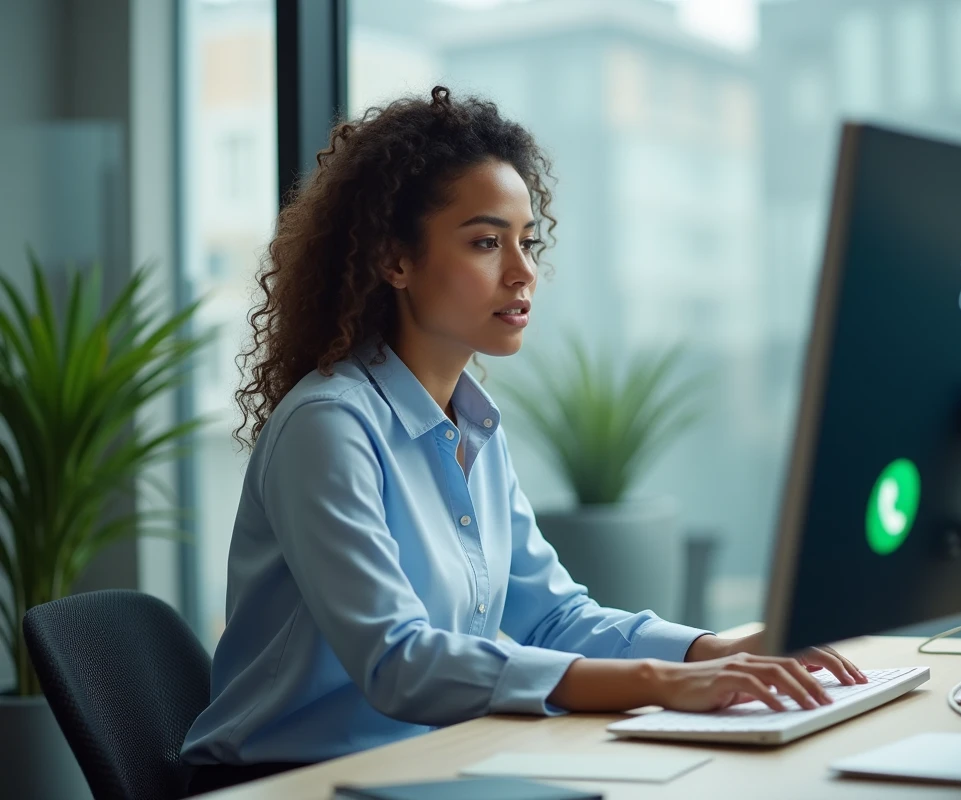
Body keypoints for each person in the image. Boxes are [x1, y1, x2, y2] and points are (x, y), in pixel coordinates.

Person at [181, 87, 866, 795]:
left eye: (526, 240)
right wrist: (666, 682)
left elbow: (550, 614)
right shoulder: (329, 426)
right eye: (486, 242)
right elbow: (398, 662)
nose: (523, 270)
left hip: (424, 765)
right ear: (395, 260)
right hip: (291, 781)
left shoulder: (471, 425)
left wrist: (714, 649)